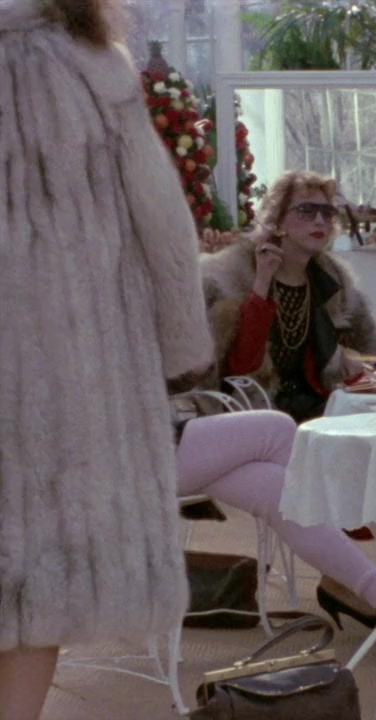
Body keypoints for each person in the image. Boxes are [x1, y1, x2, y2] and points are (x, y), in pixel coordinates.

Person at [0, 3, 214, 718]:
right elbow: (161, 217)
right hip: (71, 376)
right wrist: (182, 343)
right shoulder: (91, 62)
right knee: (41, 578)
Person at [173, 407, 376, 647]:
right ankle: (356, 583)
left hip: (158, 445)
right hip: (149, 452)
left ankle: (360, 584)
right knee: (277, 428)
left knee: (279, 489)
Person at [200, 170, 376, 422]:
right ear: (276, 221)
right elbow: (241, 367)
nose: (320, 221)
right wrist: (262, 283)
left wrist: (351, 362)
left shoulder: (336, 285)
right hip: (251, 411)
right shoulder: (232, 278)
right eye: (306, 210)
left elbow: (369, 359)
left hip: (319, 410)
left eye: (327, 213)